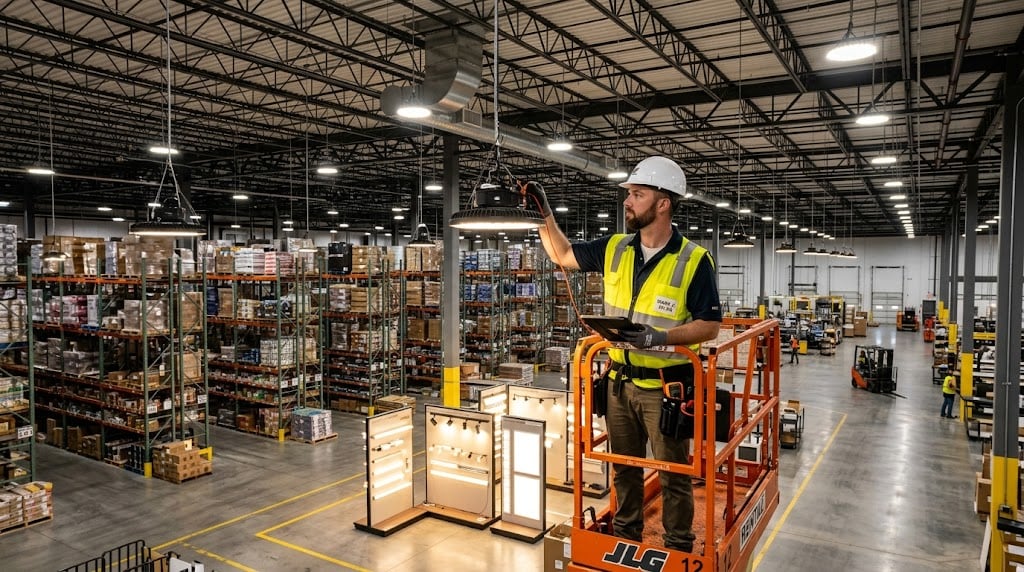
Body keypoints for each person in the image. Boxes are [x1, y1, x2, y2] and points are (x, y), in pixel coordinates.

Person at [526, 156, 721, 553]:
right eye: (629, 194)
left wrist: (657, 337)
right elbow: (563, 255)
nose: (627, 202)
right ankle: (627, 537)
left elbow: (709, 326)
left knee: (674, 474)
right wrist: (543, 213)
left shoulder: (694, 260)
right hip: (618, 382)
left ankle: (678, 546)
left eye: (637, 194)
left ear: (663, 203)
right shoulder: (615, 247)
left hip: (666, 390)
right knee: (624, 468)